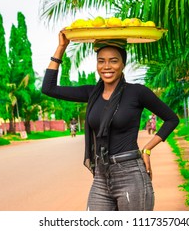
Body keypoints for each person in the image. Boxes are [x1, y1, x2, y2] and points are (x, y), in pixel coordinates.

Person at [41, 31, 179, 211]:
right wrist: (61, 47)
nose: (107, 66)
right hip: (101, 175)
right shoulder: (91, 94)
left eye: (113, 60)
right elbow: (48, 88)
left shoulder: (137, 92)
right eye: (101, 61)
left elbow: (171, 119)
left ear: (123, 64)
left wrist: (147, 149)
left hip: (131, 174)